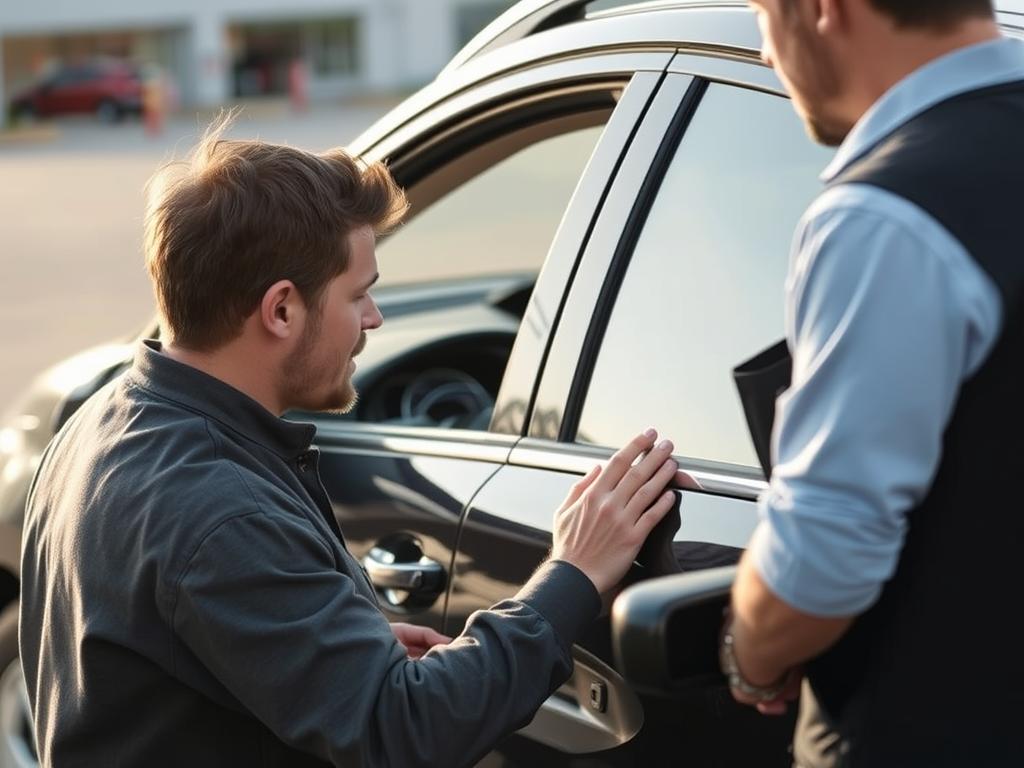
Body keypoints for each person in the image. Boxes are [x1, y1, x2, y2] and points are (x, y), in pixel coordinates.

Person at [18, 119, 680, 767]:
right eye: (357, 294)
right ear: (281, 310)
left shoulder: (101, 420)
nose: (374, 319)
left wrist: (331, 655)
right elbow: (406, 734)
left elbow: (167, 656)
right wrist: (574, 573)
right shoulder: (221, 510)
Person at [721, 1, 1024, 766]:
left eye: (762, 12)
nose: (765, 52)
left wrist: (748, 654)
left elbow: (820, 564)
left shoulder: (886, 213)